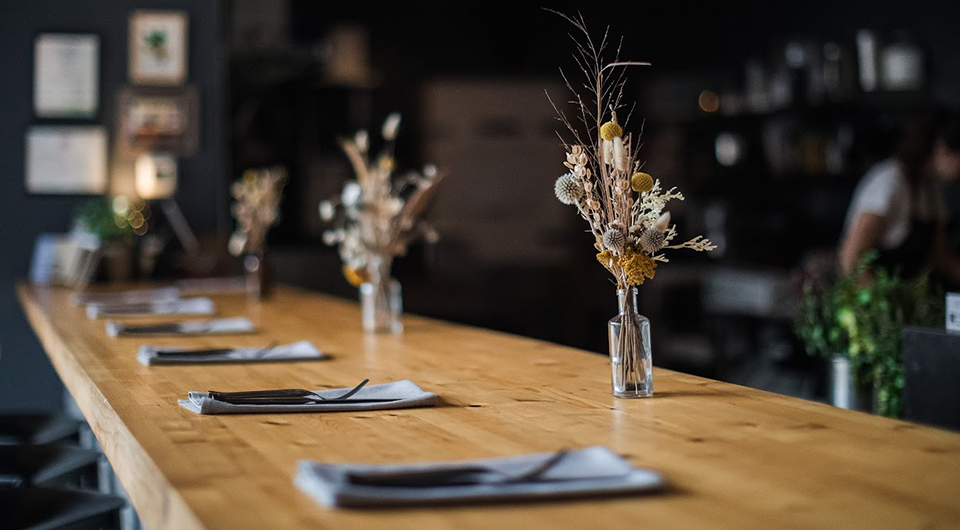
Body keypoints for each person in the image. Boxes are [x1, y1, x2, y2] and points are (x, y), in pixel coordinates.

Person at [839, 113, 960, 281]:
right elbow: (851, 258)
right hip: (869, 296)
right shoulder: (890, 182)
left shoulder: (932, 190)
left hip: (903, 294)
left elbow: (939, 256)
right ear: (942, 149)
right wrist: (879, 304)